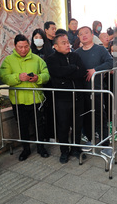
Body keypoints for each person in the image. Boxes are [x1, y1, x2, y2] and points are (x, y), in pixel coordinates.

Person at [0, 34, 50, 161]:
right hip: (18, 100)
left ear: (29, 45)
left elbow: (46, 74)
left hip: (36, 99)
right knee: (22, 126)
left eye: (26, 46)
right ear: (15, 46)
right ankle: (25, 149)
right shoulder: (8, 60)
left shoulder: (37, 59)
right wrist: (18, 77)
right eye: (20, 47)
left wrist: (38, 78)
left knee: (39, 125)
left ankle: (41, 148)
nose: (23, 50)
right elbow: (4, 77)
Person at [46, 34, 87, 163]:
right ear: (55, 46)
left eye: (68, 42)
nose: (67, 44)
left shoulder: (75, 56)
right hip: (62, 99)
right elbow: (56, 73)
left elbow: (82, 72)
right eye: (63, 43)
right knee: (63, 126)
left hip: (78, 96)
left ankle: (76, 148)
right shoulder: (51, 59)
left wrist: (68, 72)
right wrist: (73, 68)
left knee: (77, 124)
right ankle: (64, 151)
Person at [75, 26, 113, 156]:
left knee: (99, 115)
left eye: (86, 33)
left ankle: (105, 144)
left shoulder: (100, 49)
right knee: (85, 116)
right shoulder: (77, 53)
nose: (84, 35)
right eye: (81, 34)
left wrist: (95, 70)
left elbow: (110, 62)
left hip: (97, 90)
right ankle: (89, 140)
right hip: (82, 91)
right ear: (78, 37)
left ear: (92, 35)